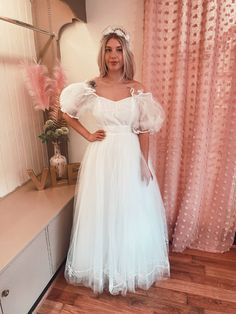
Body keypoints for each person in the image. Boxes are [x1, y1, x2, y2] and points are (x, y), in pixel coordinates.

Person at [60, 26, 170, 296]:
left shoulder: (137, 89)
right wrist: (87, 134)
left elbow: (143, 129)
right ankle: (104, 267)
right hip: (102, 156)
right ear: (103, 54)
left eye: (118, 49)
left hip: (129, 154)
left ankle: (129, 266)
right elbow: (66, 112)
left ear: (126, 53)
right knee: (103, 211)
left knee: (129, 211)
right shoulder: (92, 86)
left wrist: (144, 162)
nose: (113, 55)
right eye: (108, 50)